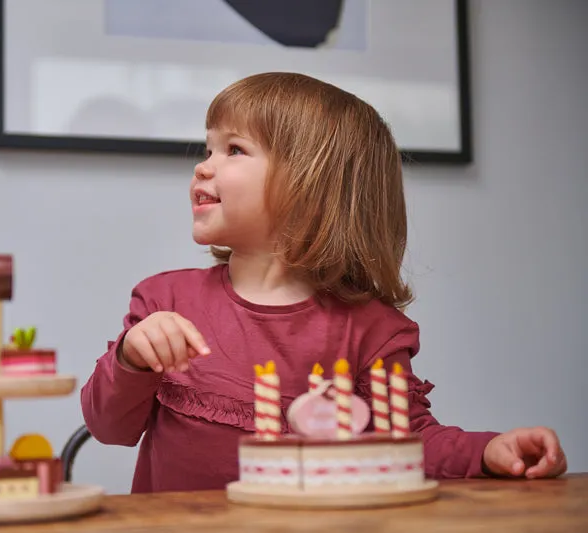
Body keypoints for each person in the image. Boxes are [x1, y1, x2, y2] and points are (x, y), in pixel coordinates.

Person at [80, 72, 568, 493]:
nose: (203, 165)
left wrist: (488, 452)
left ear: (312, 188)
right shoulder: (165, 300)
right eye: (208, 148)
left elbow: (412, 441)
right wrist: (131, 358)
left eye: (234, 150)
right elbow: (109, 427)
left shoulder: (371, 331)